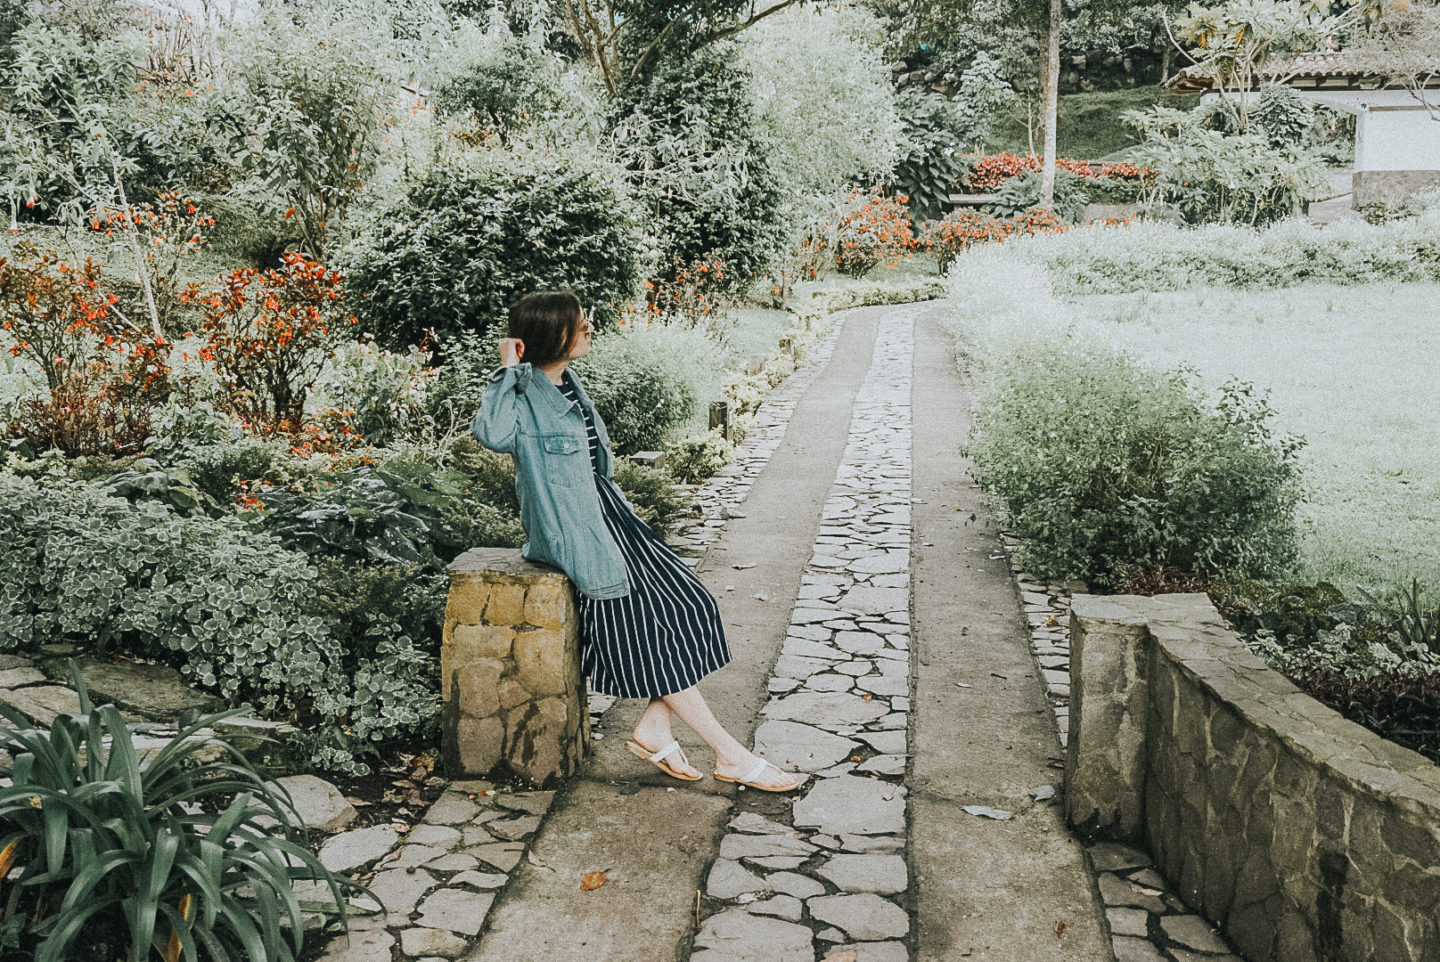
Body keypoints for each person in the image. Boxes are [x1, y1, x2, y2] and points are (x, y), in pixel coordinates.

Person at [471, 290, 799, 791]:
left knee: (691, 605)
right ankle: (730, 754)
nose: (589, 329)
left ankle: (655, 726)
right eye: (580, 323)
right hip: (576, 535)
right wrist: (507, 368)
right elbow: (491, 434)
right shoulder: (521, 396)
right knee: (649, 635)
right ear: (549, 334)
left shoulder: (569, 386)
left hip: (610, 519)